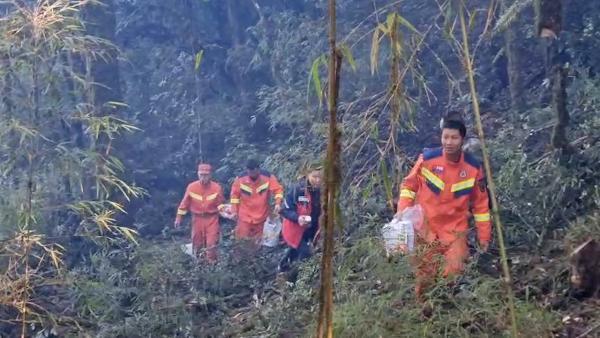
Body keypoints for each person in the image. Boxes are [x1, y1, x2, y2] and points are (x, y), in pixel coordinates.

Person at [396, 116, 492, 301]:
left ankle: (444, 304)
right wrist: (403, 209)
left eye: (454, 138)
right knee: (424, 276)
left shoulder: (473, 168)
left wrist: (484, 236)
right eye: (445, 137)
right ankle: (425, 313)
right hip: (426, 228)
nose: (449, 142)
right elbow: (409, 186)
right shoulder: (428, 159)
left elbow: (480, 206)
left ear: (462, 140)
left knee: (453, 270)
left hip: (454, 230)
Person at [174, 163, 225, 263]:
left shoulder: (216, 188)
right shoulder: (191, 187)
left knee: (212, 244)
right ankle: (200, 266)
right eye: (201, 175)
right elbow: (184, 204)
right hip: (197, 219)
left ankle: (212, 267)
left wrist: (227, 213)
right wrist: (178, 218)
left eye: (206, 175)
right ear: (198, 174)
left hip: (212, 219)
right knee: (197, 244)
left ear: (210, 175)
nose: (203, 177)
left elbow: (220, 205)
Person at [278, 165, 323, 272]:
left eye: (320, 177)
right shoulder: (298, 189)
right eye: (314, 177)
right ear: (308, 174)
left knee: (296, 250)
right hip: (294, 229)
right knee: (305, 253)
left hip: (310, 229)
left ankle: (282, 267)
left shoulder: (321, 191)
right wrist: (297, 218)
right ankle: (294, 278)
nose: (317, 180)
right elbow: (284, 210)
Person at [230, 159, 284, 246]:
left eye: (253, 171)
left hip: (262, 217)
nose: (251, 173)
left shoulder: (268, 177)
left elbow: (278, 190)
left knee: (259, 243)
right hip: (245, 217)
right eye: (249, 171)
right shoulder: (240, 179)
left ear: (258, 169)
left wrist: (278, 203)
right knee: (241, 242)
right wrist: (234, 211)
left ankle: (256, 257)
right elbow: (234, 196)